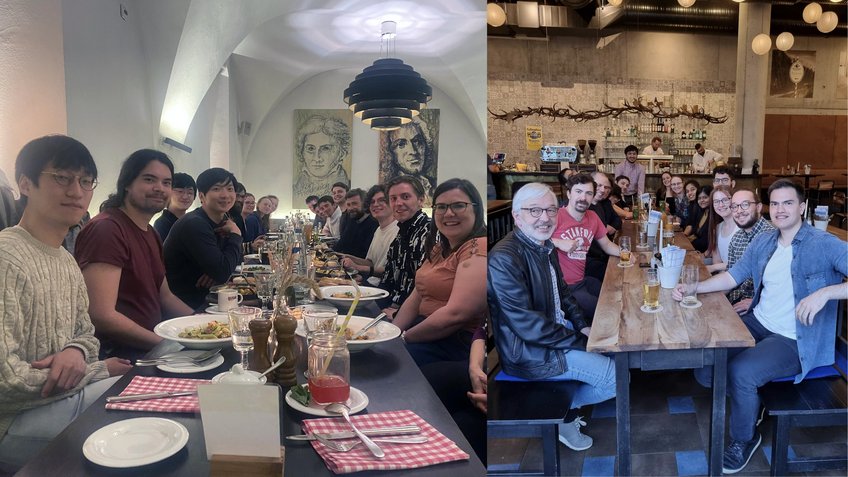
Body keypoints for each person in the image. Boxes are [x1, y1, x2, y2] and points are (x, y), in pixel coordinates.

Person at [671, 179, 847, 474]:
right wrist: (694, 288)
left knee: (741, 372)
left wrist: (826, 292)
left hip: (795, 338)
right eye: (775, 203)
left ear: (802, 207)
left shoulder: (823, 243)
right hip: (759, 321)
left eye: (788, 203)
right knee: (706, 365)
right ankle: (751, 402)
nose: (781, 209)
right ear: (768, 207)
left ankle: (744, 438)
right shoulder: (765, 240)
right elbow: (733, 275)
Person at [0, 135, 131, 471]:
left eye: (86, 181)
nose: (76, 191)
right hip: (12, 421)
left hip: (59, 399)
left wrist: (75, 351)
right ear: (25, 184)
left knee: (150, 397)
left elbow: (86, 334)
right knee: (131, 423)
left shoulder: (65, 260)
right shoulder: (6, 256)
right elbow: (5, 379)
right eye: (61, 177)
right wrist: (96, 369)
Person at [488, 182, 616, 451]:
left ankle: (564, 408)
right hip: (530, 353)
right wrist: (582, 341)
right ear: (517, 216)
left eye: (550, 210)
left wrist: (581, 326)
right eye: (535, 211)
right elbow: (529, 327)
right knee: (615, 378)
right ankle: (564, 416)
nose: (544, 218)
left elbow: (565, 294)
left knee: (616, 350)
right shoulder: (504, 258)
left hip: (553, 335)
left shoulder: (543, 245)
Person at [75, 149, 195, 360]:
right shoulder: (107, 229)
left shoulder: (150, 232)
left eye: (166, 183)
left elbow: (165, 296)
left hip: (151, 348)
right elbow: (101, 315)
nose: (159, 188)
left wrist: (205, 325)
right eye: (149, 179)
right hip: (121, 357)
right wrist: (169, 345)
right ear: (127, 184)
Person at [393, 179, 487, 366]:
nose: (449, 213)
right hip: (425, 331)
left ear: (476, 209)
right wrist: (390, 333)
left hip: (456, 343)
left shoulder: (478, 247)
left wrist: (403, 338)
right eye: (441, 207)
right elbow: (416, 297)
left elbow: (456, 315)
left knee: (390, 365)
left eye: (458, 205)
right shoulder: (438, 248)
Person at [163, 168, 243, 309]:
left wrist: (216, 270)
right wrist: (236, 235)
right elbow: (223, 271)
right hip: (185, 304)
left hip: (209, 297)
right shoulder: (194, 223)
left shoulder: (224, 220)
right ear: (202, 196)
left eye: (230, 189)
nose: (225, 195)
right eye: (216, 189)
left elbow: (234, 261)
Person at [552, 174, 622, 320]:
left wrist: (626, 253)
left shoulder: (592, 217)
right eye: (578, 192)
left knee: (615, 295)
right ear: (569, 194)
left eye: (589, 193)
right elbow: (530, 240)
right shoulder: (555, 216)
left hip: (582, 280)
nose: (583, 198)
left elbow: (606, 244)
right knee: (605, 312)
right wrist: (557, 242)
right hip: (563, 288)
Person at [379, 176, 431, 318]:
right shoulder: (401, 234)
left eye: (405, 197)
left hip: (414, 316)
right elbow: (387, 279)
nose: (398, 203)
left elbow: (426, 287)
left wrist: (398, 314)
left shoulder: (430, 232)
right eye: (393, 198)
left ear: (421, 200)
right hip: (390, 307)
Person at [724, 188, 775, 312]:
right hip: (733, 299)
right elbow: (730, 276)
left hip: (758, 308)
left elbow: (781, 284)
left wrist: (758, 301)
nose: (739, 211)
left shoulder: (771, 237)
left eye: (745, 204)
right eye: (734, 206)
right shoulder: (737, 238)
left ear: (758, 207)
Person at [341, 185, 399, 286]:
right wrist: (348, 257)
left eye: (382, 200)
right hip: (370, 282)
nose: (376, 204)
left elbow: (393, 271)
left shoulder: (398, 230)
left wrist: (358, 267)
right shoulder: (378, 230)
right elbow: (370, 262)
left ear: (392, 202)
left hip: (384, 288)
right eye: (372, 202)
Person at [292, 114, 351, 205]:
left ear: (342, 153)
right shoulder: (295, 189)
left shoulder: (349, 190)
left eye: (325, 148)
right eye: (310, 149)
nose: (317, 158)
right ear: (302, 152)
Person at [380, 118, 437, 204]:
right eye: (401, 144)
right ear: (391, 153)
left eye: (417, 141)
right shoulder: (384, 190)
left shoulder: (435, 185)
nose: (413, 151)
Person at [586, 172, 621, 281]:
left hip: (601, 256)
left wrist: (626, 254)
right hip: (588, 262)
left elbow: (605, 244)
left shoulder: (598, 206)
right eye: (599, 185)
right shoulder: (581, 208)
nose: (602, 190)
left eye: (606, 187)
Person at [333, 188, 378, 259]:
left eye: (354, 204)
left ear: (365, 204)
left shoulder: (374, 223)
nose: (351, 208)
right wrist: (328, 252)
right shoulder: (351, 219)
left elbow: (365, 254)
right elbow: (343, 242)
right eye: (348, 205)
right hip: (346, 261)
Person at [153, 172, 196, 240]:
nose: (185, 197)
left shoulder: (192, 222)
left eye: (190, 193)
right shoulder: (162, 224)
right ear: (169, 193)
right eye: (180, 191)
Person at [705, 185, 738, 274]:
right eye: (716, 201)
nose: (721, 205)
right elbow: (717, 261)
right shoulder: (717, 228)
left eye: (725, 200)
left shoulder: (742, 227)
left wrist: (713, 268)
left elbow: (742, 263)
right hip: (724, 276)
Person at [683, 185, 713, 253]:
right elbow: (696, 233)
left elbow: (706, 242)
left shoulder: (714, 216)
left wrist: (688, 243)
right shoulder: (701, 212)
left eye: (705, 197)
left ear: (711, 197)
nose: (702, 200)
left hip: (704, 253)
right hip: (696, 248)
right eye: (699, 198)